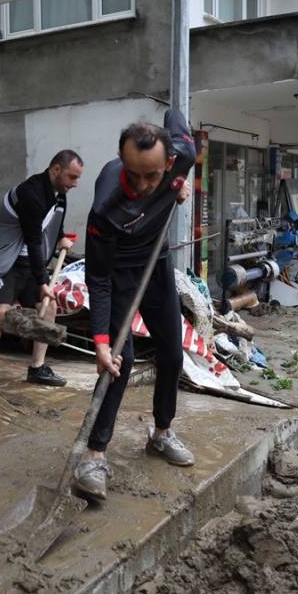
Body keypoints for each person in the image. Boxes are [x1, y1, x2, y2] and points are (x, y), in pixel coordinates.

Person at [74, 110, 197, 501]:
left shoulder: (183, 157)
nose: (142, 184)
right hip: (119, 276)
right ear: (121, 162)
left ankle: (161, 433)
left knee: (172, 354)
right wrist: (100, 341)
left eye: (153, 175)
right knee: (118, 363)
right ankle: (93, 456)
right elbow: (97, 278)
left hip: (156, 266)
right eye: (134, 173)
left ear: (170, 162)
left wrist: (179, 187)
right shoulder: (106, 206)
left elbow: (175, 115)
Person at [0, 151, 82, 393]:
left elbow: (53, 222)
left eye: (77, 178)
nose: (74, 184)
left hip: (28, 261)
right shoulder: (31, 194)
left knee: (49, 309)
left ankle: (37, 368)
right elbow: (33, 240)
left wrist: (61, 239)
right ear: (55, 170)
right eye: (71, 177)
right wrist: (43, 280)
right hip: (7, 261)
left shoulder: (59, 194)